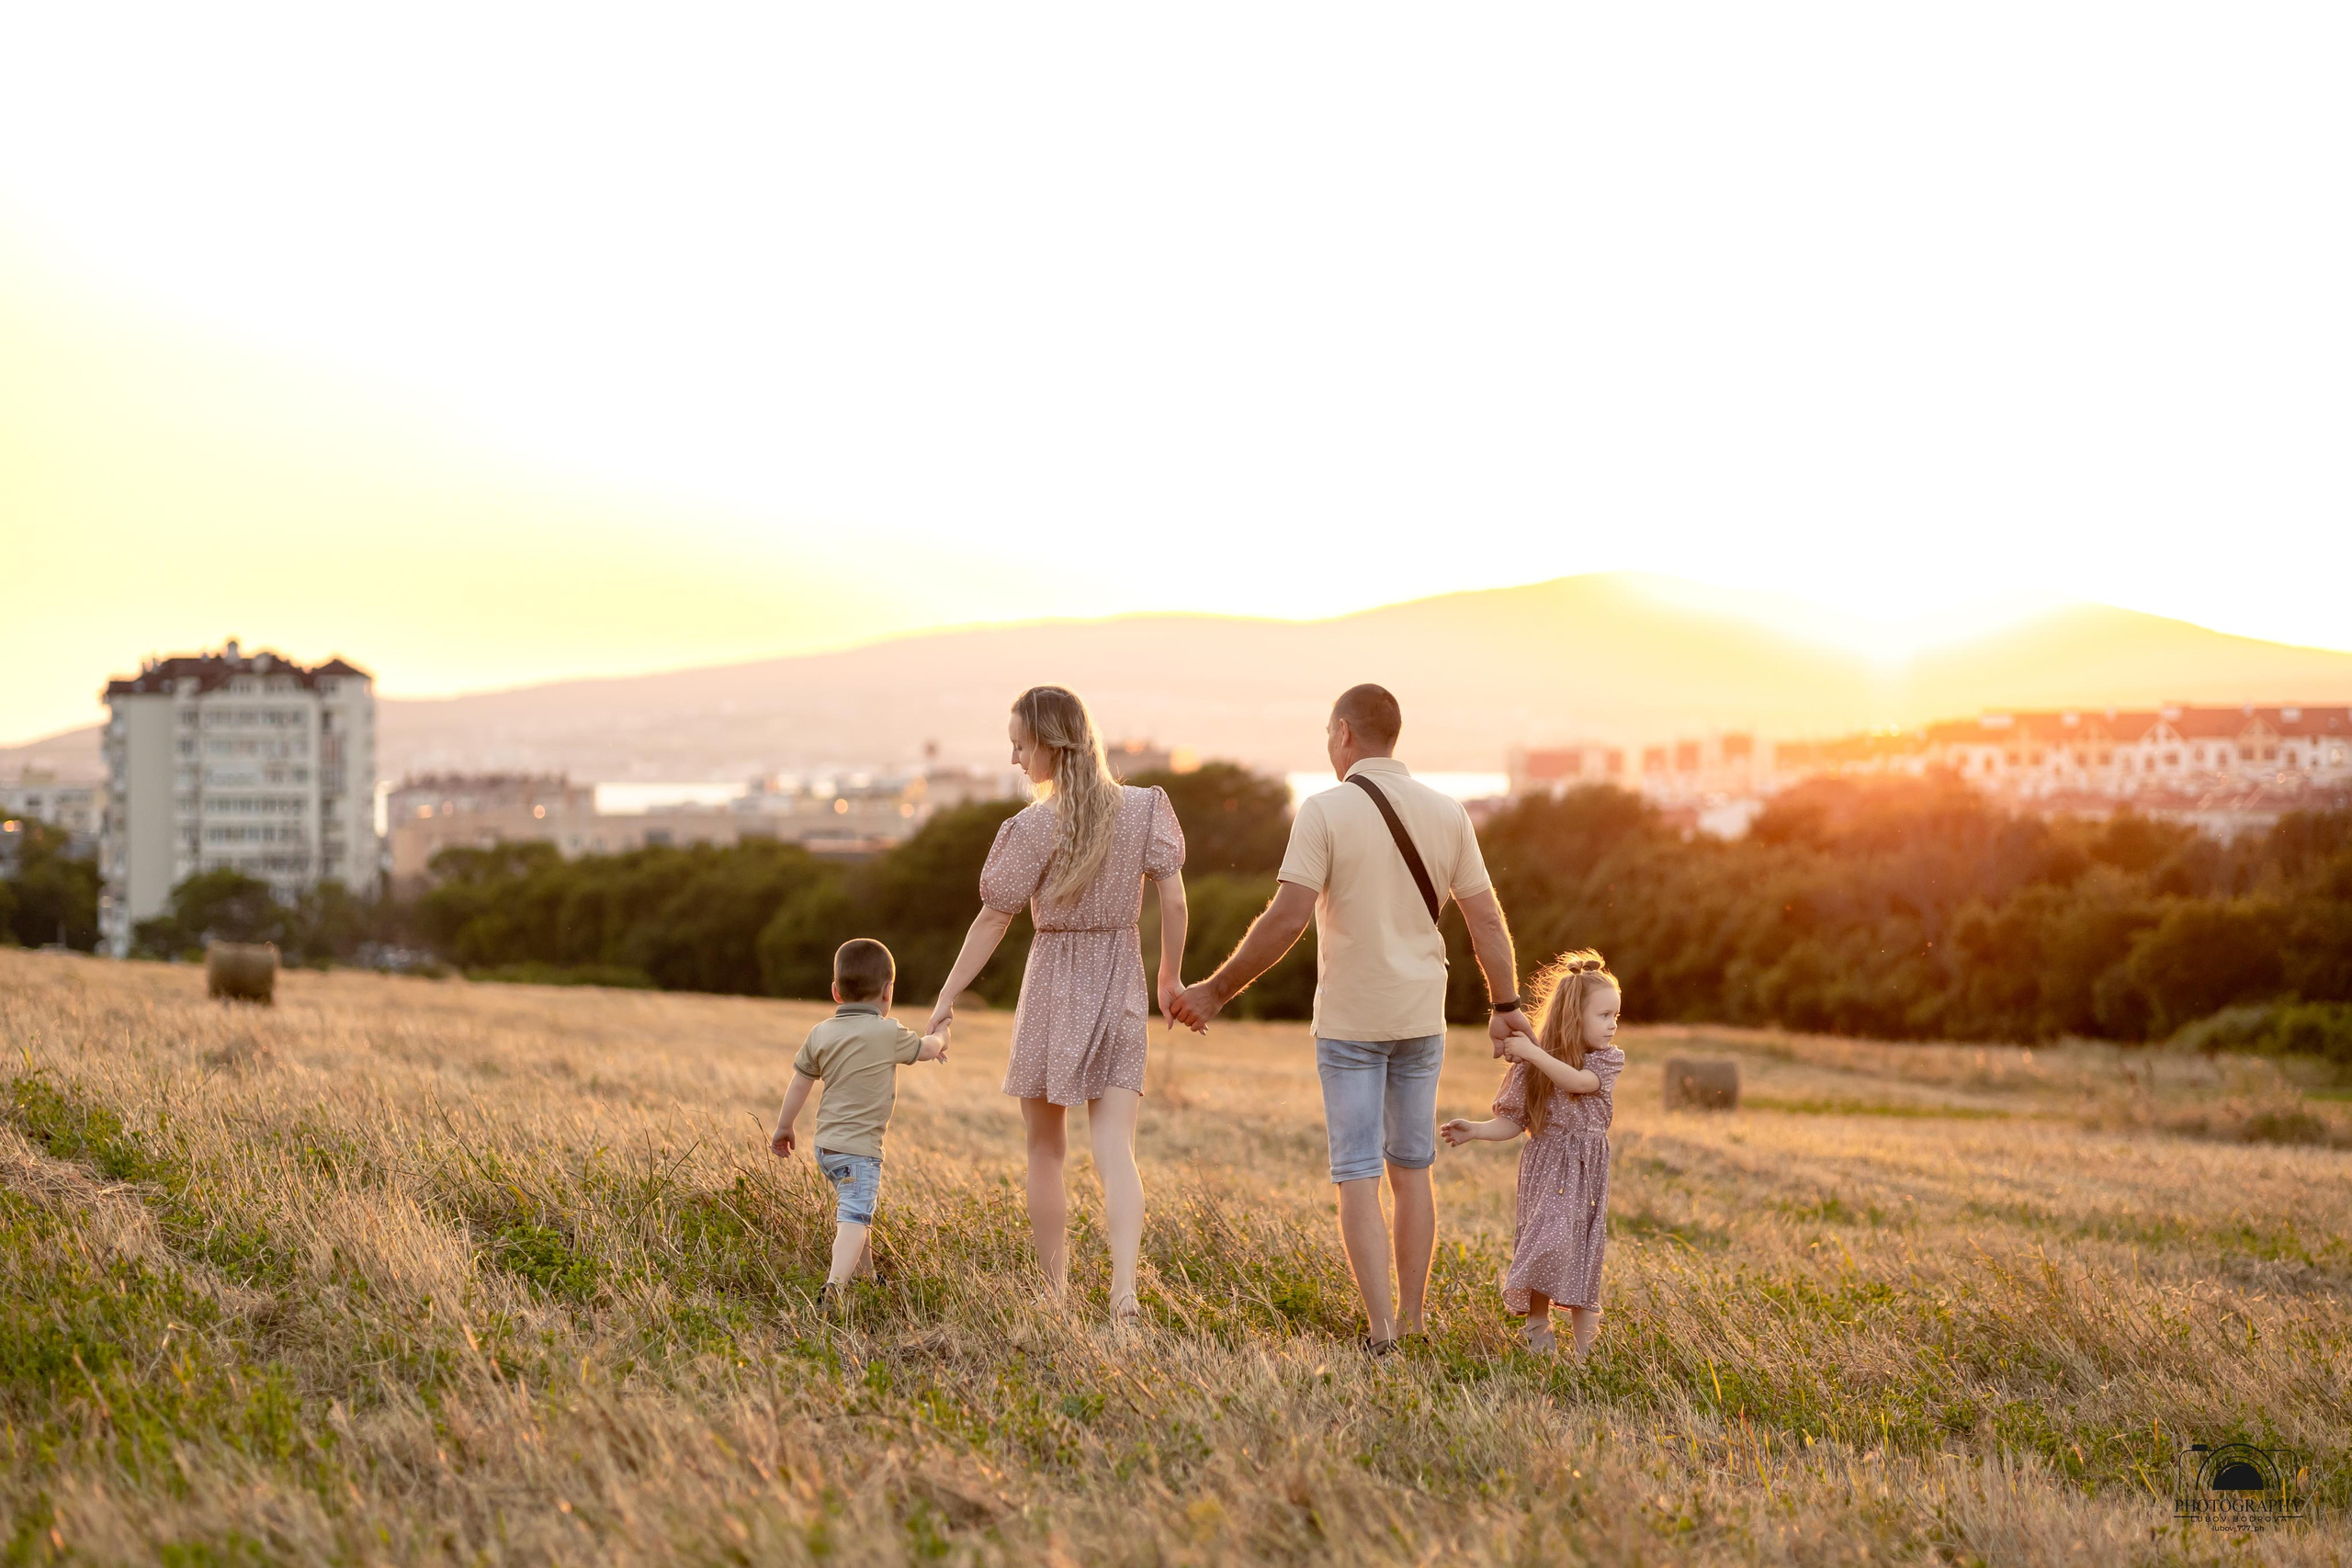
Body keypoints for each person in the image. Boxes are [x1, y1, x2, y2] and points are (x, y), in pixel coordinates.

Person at [1170, 683, 1533, 1354]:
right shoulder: (1448, 812)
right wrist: (1506, 1006)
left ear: (1344, 734)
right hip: (1421, 1017)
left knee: (1358, 1173)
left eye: (1327, 735)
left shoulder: (1325, 810)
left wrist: (1217, 989)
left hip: (1349, 1024)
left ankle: (1381, 1331)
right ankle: (1417, 1322)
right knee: (1411, 1168)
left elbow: (1285, 919)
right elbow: (1485, 917)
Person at [929, 685, 1190, 1325]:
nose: (1017, 759)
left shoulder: (1030, 827)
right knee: (1115, 1148)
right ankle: (1124, 1293)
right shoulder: (1145, 808)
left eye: (1020, 744)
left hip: (1053, 981)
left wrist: (945, 995)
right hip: (1122, 973)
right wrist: (1169, 978)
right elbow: (1176, 902)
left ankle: (1054, 1298)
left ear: (1048, 742)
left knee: (1045, 1148)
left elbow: (993, 919)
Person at [1439, 951, 1623, 1356]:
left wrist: (1535, 1054)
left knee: (1579, 1247)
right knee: (1545, 1240)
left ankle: (1584, 1355)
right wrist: (1476, 1131)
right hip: (1545, 1168)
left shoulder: (1606, 1061)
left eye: (1615, 1017)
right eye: (1604, 1015)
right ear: (1574, 1017)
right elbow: (1514, 1122)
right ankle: (1537, 1329)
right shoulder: (1530, 1067)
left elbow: (1577, 1081)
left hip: (1586, 1169)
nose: (1612, 1025)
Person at [769, 937, 951, 1308]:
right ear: (888, 993)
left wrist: (784, 1125)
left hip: (826, 1149)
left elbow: (800, 1081)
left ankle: (867, 1277)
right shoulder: (888, 1032)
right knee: (854, 1215)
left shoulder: (821, 1033)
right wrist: (943, 1031)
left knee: (858, 1210)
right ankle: (834, 1287)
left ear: (836, 992)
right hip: (860, 1153)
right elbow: (929, 1049)